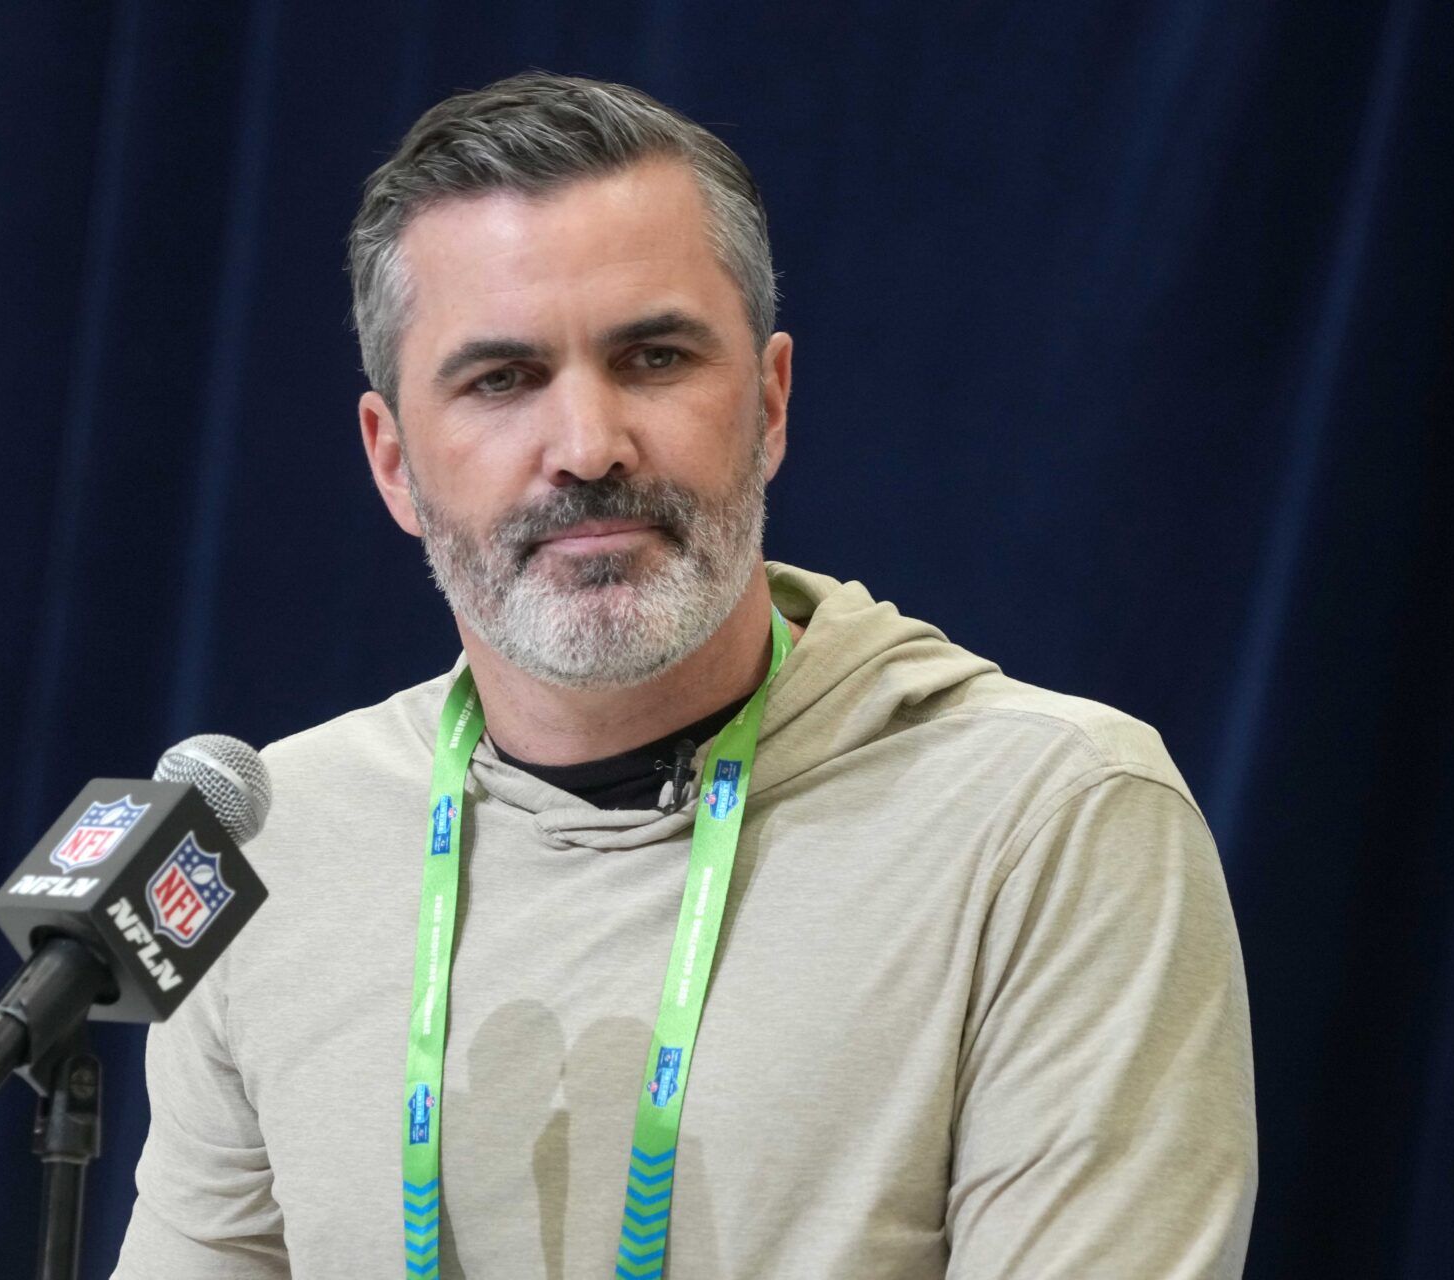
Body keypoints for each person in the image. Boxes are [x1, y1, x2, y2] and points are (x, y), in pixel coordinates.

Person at [113, 73, 1256, 1279]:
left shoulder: (1051, 818)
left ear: (767, 403)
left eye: (653, 357)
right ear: (394, 462)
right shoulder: (270, 843)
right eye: (500, 380)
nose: (588, 446)